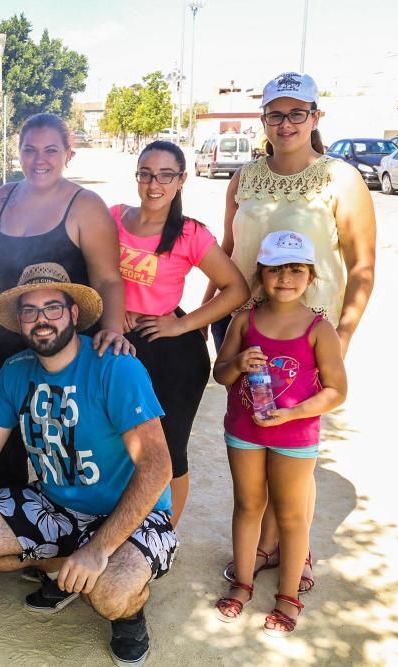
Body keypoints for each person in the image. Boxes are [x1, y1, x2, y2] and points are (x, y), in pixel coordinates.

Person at [0, 263, 176, 667]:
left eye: (53, 308)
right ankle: (63, 568)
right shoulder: (16, 370)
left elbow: (157, 469)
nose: (41, 320)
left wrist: (99, 549)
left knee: (112, 595)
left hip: (131, 514)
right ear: (19, 320)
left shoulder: (114, 366)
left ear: (74, 314)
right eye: (29, 311)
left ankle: (128, 614)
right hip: (56, 505)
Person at [202, 72, 375, 591]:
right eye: (275, 113)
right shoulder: (244, 179)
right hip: (246, 330)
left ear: (315, 117)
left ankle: (288, 552)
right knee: (256, 431)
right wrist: (200, 314)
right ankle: (264, 546)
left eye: (297, 112)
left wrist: (342, 335)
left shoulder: (340, 179)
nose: (286, 123)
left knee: (295, 442)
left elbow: (362, 265)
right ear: (264, 120)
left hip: (309, 335)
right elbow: (231, 255)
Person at [0, 113, 131, 489]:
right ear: (18, 152)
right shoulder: (3, 198)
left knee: (65, 444)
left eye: (51, 150)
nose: (39, 159)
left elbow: (108, 278)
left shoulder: (85, 205)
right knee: (4, 443)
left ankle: (70, 525)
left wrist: (113, 331)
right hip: (8, 346)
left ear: (69, 154)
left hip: (64, 350)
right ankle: (10, 522)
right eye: (30, 149)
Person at [212, 230, 346, 637]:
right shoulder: (244, 320)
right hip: (244, 431)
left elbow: (337, 390)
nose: (285, 278)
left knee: (290, 515)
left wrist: (293, 415)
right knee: (248, 505)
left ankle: (289, 596)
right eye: (275, 270)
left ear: (310, 276)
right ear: (261, 274)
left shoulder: (319, 329)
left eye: (295, 270)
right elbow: (220, 374)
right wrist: (238, 362)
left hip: (295, 437)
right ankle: (243, 581)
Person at [111, 141, 249, 525]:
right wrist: (114, 307)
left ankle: (163, 537)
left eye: (165, 175)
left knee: (170, 451)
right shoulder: (112, 219)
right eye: (146, 174)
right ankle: (122, 526)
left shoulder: (190, 234)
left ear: (181, 180)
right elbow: (91, 272)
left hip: (171, 353)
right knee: (120, 446)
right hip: (119, 346)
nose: (154, 184)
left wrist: (185, 323)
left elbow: (237, 288)